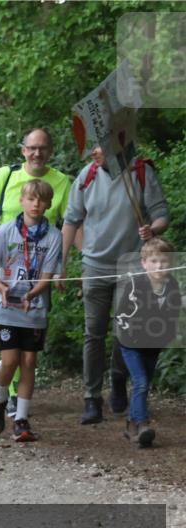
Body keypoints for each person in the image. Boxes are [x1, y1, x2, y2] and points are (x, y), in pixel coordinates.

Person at [62, 146, 170, 425]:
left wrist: (153, 229)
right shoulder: (87, 176)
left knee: (126, 332)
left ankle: (118, 378)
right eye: (93, 146)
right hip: (94, 265)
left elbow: (162, 214)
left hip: (131, 265)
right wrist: (60, 264)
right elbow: (71, 221)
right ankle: (91, 398)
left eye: (100, 145)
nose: (94, 152)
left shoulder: (141, 172)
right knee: (93, 333)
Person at [0, 128, 73, 416]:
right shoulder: (5, 174)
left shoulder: (61, 181)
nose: (37, 153)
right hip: (5, 267)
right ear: (23, 150)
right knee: (11, 343)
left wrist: (64, 265)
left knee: (29, 349)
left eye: (43, 148)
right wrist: (2, 242)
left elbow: (70, 223)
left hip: (41, 268)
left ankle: (18, 400)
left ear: (50, 151)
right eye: (32, 147)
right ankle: (7, 390)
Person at [0, 180, 62, 443]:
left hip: (34, 307)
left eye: (41, 200)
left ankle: (21, 419)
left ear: (48, 204)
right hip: (6, 306)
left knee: (29, 362)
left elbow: (47, 276)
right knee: (10, 362)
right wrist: (1, 288)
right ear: (21, 201)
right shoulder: (5, 231)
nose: (36, 204)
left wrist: (32, 294)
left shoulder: (54, 236)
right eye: (31, 199)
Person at [113, 238, 181, 447]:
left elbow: (173, 314)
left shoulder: (172, 285)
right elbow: (121, 314)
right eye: (154, 261)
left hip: (153, 345)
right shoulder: (135, 285)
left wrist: (166, 335)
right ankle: (143, 424)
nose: (159, 266)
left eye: (164, 261)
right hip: (131, 343)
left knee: (143, 384)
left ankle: (131, 425)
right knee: (141, 382)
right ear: (144, 263)